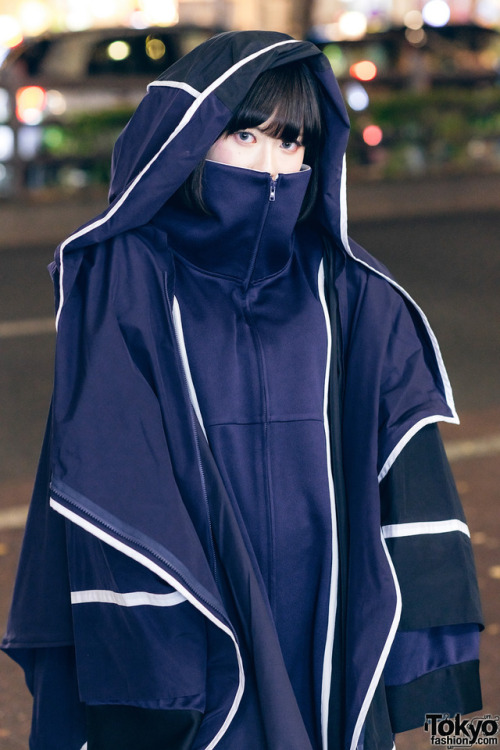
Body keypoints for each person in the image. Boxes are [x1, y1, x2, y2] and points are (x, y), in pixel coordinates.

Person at [1, 30, 482, 750]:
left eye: (293, 142)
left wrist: (423, 682)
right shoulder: (131, 277)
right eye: (245, 134)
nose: (272, 166)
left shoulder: (345, 288)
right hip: (200, 605)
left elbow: (404, 475)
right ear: (191, 141)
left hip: (328, 594)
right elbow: (107, 469)